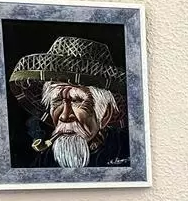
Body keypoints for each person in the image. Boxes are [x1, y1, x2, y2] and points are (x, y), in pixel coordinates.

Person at [8, 36, 130, 168]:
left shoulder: (127, 151)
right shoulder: (45, 160)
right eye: (57, 101)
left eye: (77, 100)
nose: (64, 116)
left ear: (105, 114)